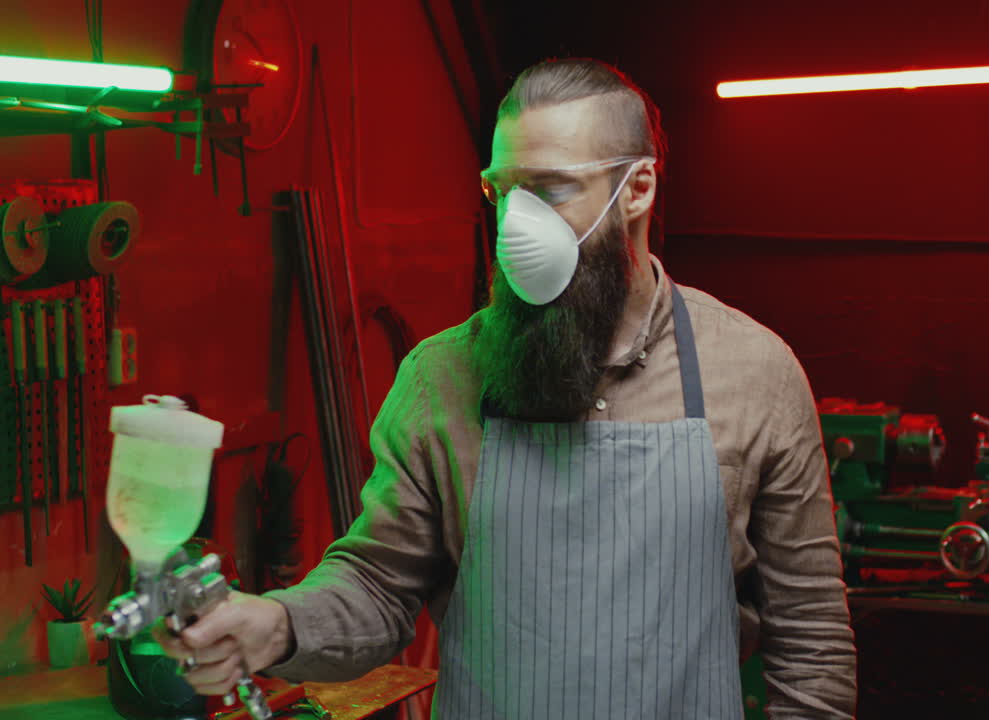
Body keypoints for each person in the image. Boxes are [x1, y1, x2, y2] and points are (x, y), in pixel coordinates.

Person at [155, 57, 857, 718]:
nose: (517, 223)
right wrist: (276, 623)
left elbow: (811, 639)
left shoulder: (754, 372)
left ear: (637, 189)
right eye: (502, 190)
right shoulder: (440, 376)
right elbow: (378, 586)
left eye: (551, 189)